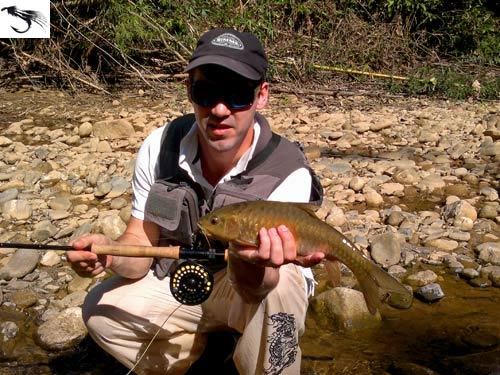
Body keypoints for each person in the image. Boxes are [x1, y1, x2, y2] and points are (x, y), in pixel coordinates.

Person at [66, 28, 325, 375]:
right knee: (100, 311)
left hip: (255, 288)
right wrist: (112, 252)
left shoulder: (289, 173)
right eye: (206, 92)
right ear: (189, 91)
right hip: (184, 285)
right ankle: (196, 360)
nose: (219, 109)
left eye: (236, 96)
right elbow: (142, 245)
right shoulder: (160, 148)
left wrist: (253, 265)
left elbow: (259, 288)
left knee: (286, 282)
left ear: (261, 96)